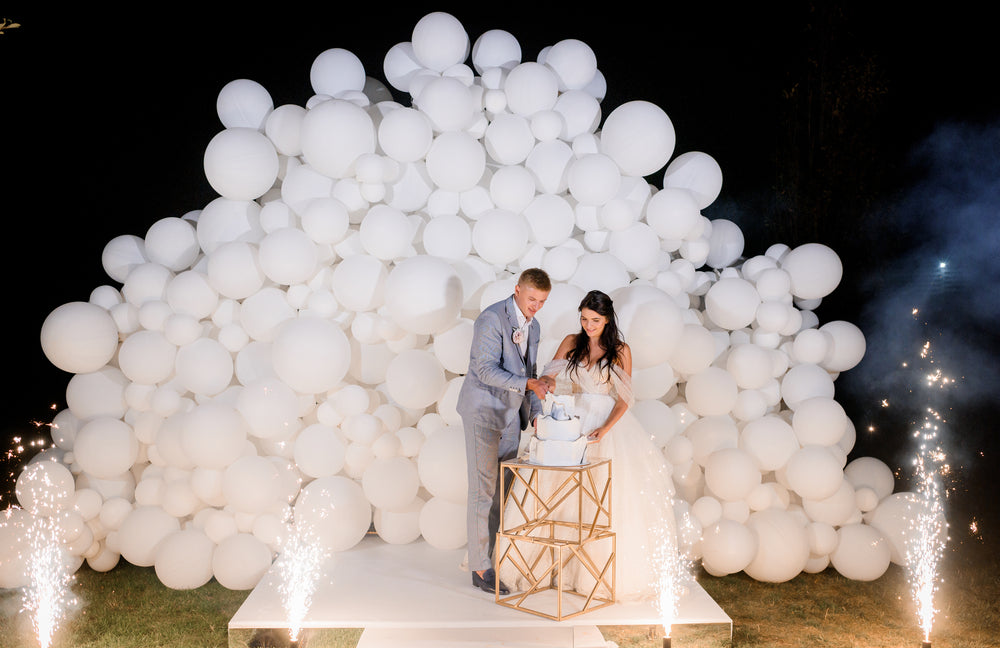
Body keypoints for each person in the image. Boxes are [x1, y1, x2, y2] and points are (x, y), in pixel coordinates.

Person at [498, 289, 678, 601]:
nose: (588, 325)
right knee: (553, 491)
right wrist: (547, 386)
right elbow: (550, 377)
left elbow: (625, 398)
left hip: (603, 425)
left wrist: (606, 428)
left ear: (607, 320)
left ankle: (593, 573)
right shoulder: (571, 341)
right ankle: (545, 567)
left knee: (600, 498)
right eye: (584, 319)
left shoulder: (620, 350)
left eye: (595, 320)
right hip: (572, 420)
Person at [457, 268, 551, 594]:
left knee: (504, 493)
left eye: (541, 302)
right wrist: (526, 383)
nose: (535, 307)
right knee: (482, 493)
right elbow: (483, 369)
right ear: (517, 291)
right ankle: (480, 567)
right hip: (483, 413)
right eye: (531, 299)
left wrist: (537, 415)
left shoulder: (534, 326)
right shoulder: (491, 319)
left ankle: (494, 557)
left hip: (512, 418)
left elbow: (532, 374)